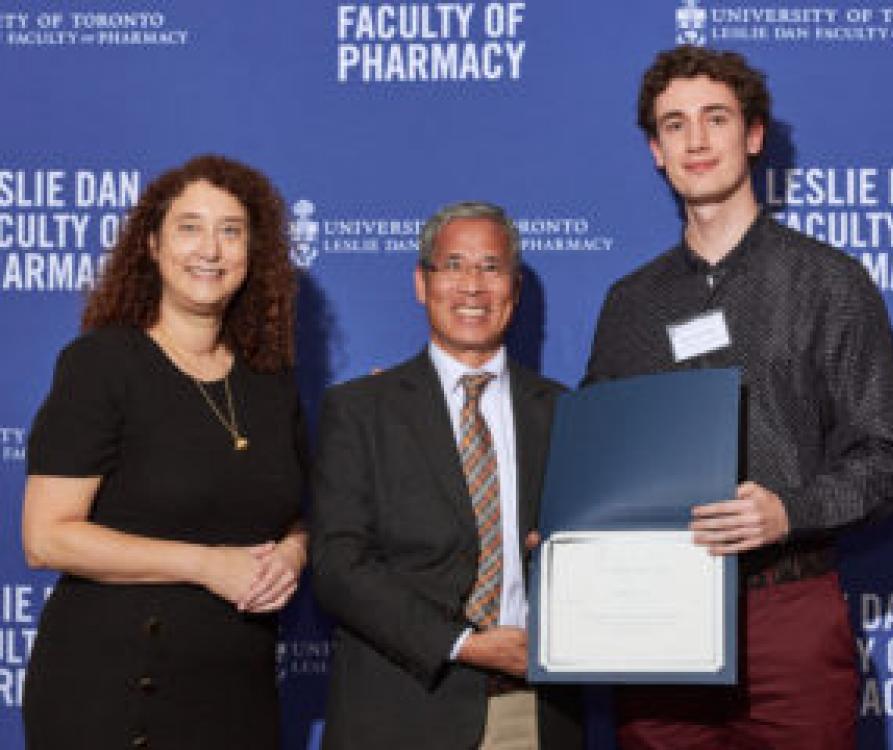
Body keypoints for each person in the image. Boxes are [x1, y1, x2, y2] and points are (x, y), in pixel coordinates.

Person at [585, 46, 893, 749]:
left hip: (787, 614)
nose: (697, 140)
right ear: (655, 150)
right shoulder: (629, 305)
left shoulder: (831, 283)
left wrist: (787, 511)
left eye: (716, 118)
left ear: (755, 135)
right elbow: (599, 460)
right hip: (655, 624)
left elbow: (887, 456)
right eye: (675, 125)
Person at [22, 154, 308, 750]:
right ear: (151, 244)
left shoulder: (269, 378)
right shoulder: (101, 365)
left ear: (252, 253)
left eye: (231, 231)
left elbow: (294, 510)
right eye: (190, 227)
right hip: (113, 688)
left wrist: (294, 552)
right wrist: (208, 565)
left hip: (237, 688)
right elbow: (46, 539)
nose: (211, 249)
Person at [310, 201, 582, 749]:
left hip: (529, 714)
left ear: (515, 285)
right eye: (453, 265)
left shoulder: (565, 411)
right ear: (421, 282)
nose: (472, 286)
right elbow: (338, 566)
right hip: (400, 712)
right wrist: (462, 643)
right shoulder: (361, 409)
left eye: (491, 267)